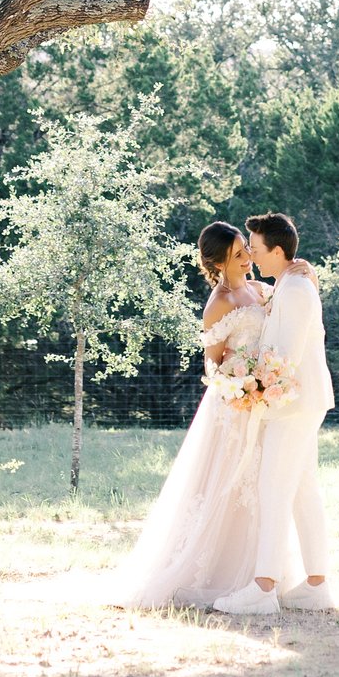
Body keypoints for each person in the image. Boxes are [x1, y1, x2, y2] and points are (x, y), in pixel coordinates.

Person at [106, 222, 273, 607]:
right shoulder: (219, 304)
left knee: (258, 485)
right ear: (217, 263)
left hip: (262, 403)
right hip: (232, 406)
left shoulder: (261, 290)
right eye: (237, 255)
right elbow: (213, 366)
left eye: (246, 249)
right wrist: (240, 383)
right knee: (224, 484)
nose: (247, 257)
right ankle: (214, 573)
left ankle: (259, 574)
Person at [213, 211, 335, 616]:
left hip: (292, 405)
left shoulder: (297, 287)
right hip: (298, 402)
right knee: (301, 488)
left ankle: (264, 589)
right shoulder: (290, 282)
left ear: (278, 250)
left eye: (256, 249)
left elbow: (284, 357)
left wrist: (254, 387)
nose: (252, 256)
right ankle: (317, 586)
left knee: (274, 489)